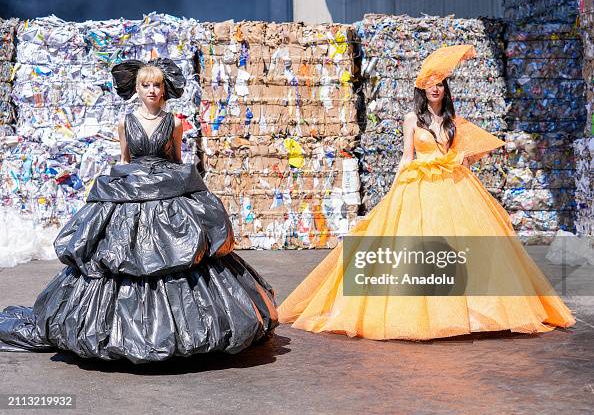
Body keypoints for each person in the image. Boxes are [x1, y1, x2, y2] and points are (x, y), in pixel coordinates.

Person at [277, 45, 575, 340]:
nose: (436, 89)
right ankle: (423, 313)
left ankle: (474, 314)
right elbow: (407, 157)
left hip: (453, 185)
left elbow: (470, 150)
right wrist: (393, 191)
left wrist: (462, 158)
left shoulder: (452, 121)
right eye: (431, 85)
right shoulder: (412, 119)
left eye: (441, 84)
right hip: (419, 186)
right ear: (422, 89)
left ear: (446, 90)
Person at [0, 58, 278, 363]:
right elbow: (124, 157)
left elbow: (176, 157)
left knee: (180, 251)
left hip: (166, 185)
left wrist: (181, 194)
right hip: (132, 185)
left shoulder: (174, 123)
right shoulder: (125, 122)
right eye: (145, 85)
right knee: (120, 255)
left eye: (156, 85)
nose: (151, 90)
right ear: (137, 88)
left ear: (163, 89)